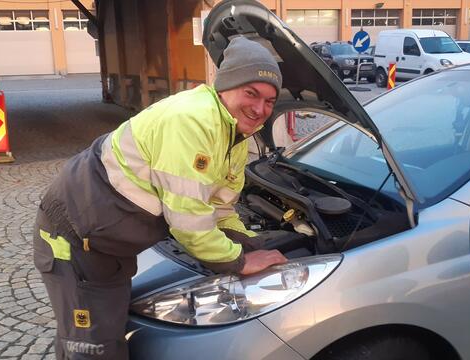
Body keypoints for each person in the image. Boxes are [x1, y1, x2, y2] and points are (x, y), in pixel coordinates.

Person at [33, 36, 288, 359]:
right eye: (251, 93)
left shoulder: (235, 136)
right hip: (73, 237)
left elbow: (220, 208)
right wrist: (239, 261)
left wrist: (253, 243)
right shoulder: (192, 120)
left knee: (111, 327)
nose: (260, 109)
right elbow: (189, 222)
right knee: (91, 346)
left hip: (106, 239)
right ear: (224, 86)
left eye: (269, 101)